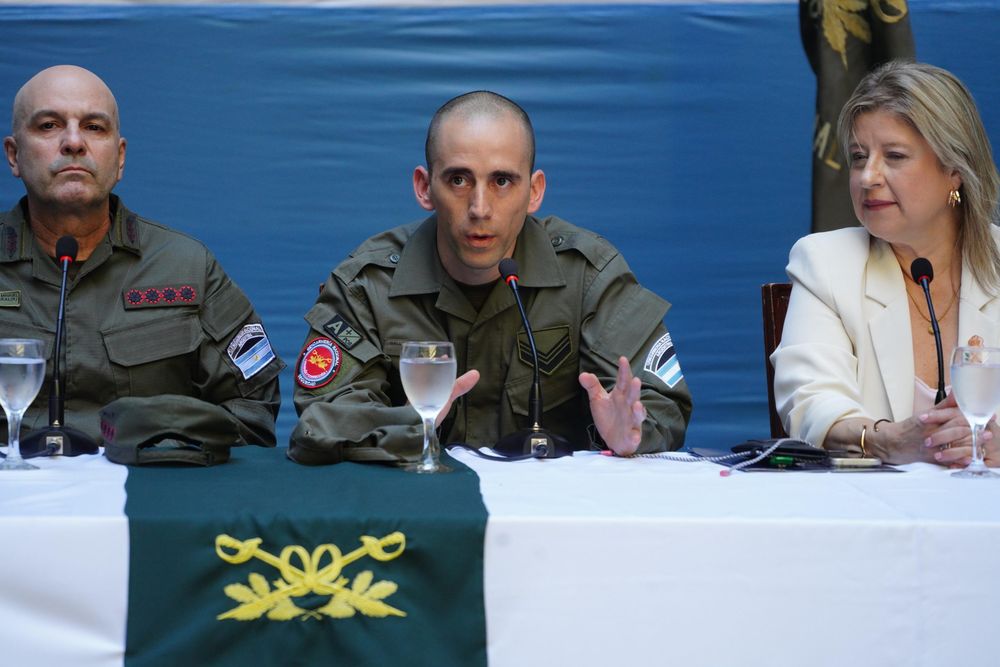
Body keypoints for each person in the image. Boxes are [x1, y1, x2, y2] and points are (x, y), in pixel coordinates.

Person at [289, 91, 692, 464]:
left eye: (502, 181)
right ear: (424, 187)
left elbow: (658, 406)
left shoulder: (588, 276)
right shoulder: (367, 285)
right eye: (459, 180)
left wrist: (625, 434)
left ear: (534, 192)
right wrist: (414, 421)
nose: (480, 208)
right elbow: (321, 421)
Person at [0, 65, 283, 454]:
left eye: (94, 127)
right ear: (14, 155)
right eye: (49, 125)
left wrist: (163, 451)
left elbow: (254, 408)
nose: (73, 142)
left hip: (144, 491)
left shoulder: (186, 267)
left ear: (119, 159)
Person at [772, 61, 1000, 466]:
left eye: (894, 156)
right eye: (860, 157)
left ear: (954, 170)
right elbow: (810, 403)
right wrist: (886, 440)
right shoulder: (826, 263)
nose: (867, 177)